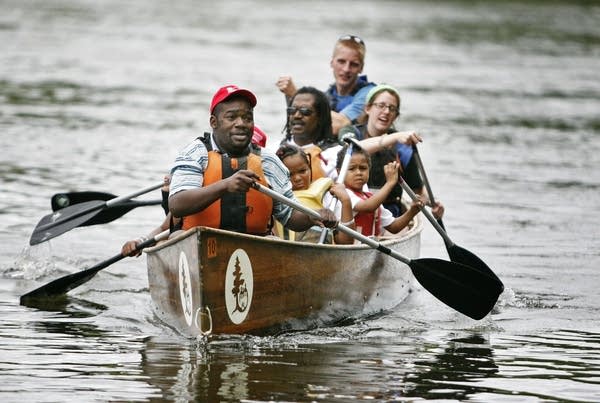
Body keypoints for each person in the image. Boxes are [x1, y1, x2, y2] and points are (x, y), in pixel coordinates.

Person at [167, 84, 338, 236]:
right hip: (200, 239)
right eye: (231, 117)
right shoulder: (195, 153)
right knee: (176, 236)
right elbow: (177, 204)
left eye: (248, 118)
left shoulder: (268, 161)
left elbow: (290, 217)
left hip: (255, 244)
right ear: (214, 122)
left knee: (274, 240)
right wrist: (225, 185)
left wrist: (311, 216)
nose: (241, 123)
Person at [121, 126, 270, 257]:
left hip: (250, 245)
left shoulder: (268, 183)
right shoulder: (198, 193)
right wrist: (140, 242)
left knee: (272, 240)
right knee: (176, 235)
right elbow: (163, 228)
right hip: (206, 247)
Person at [340, 84, 445, 219]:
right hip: (350, 210)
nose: (386, 111)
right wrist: (393, 137)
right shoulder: (349, 132)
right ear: (368, 108)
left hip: (388, 215)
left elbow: (417, 190)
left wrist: (433, 203)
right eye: (381, 105)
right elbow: (353, 149)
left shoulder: (403, 147)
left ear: (396, 116)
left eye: (392, 108)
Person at [276, 34, 376, 136]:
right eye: (341, 61)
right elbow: (299, 128)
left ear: (361, 68)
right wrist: (289, 97)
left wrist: (295, 95)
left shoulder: (370, 95)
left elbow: (339, 125)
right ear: (332, 62)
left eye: (354, 64)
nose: (346, 69)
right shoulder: (327, 95)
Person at [325, 145, 423, 238]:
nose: (358, 173)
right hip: (349, 251)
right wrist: (390, 183)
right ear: (339, 172)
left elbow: (394, 227)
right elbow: (368, 207)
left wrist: (412, 211)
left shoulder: (371, 198)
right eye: (351, 169)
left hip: (368, 251)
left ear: (369, 170)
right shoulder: (343, 194)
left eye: (363, 168)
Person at [274, 144, 354, 244]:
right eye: (289, 174)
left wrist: (346, 201)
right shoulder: (275, 200)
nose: (297, 178)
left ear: (310, 168)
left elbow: (346, 243)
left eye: (302, 171)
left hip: (322, 255)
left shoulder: (328, 194)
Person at [281, 86, 339, 180]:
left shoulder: (336, 155)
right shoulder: (273, 149)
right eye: (292, 110)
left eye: (305, 111)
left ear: (320, 117)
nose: (297, 115)